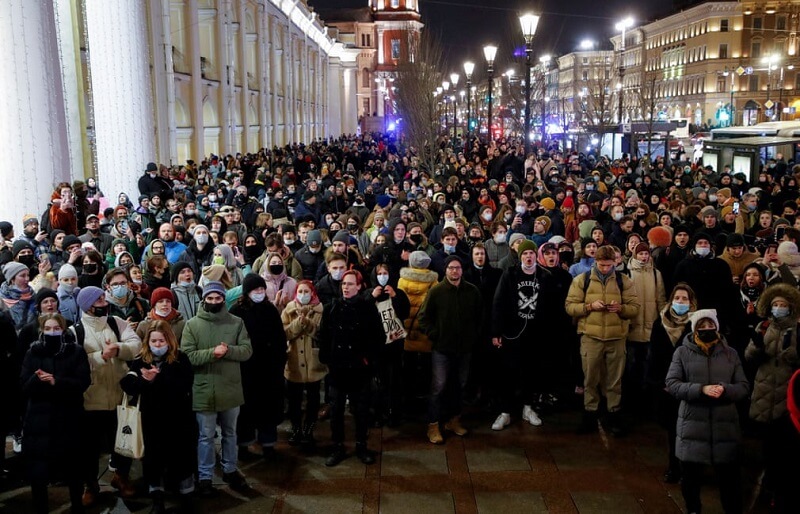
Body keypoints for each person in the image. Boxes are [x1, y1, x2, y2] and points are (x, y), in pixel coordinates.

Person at [666, 309, 749, 514]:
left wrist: (726, 389)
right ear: (694, 329)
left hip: (725, 427)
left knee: (730, 481)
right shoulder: (682, 353)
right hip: (692, 425)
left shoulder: (731, 354)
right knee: (691, 479)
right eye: (701, 327)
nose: (706, 329)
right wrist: (700, 389)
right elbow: (672, 384)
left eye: (710, 325)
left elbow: (744, 386)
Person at [181, 281, 252, 496]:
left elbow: (247, 350)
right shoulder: (192, 325)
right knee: (206, 435)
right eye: (210, 298)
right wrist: (213, 353)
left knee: (231, 433)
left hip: (230, 387)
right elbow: (187, 356)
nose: (214, 302)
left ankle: (230, 469)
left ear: (223, 299)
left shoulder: (237, 322)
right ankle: (205, 476)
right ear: (204, 300)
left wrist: (228, 350)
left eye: (218, 298)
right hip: (204, 388)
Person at [72, 286, 142, 505]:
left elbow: (136, 345)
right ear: (88, 305)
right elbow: (75, 362)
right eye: (99, 300)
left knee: (123, 442)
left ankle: (120, 477)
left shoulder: (116, 322)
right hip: (92, 398)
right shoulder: (76, 331)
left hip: (119, 395)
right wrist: (101, 356)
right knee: (89, 448)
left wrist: (119, 349)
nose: (104, 302)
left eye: (104, 298)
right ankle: (90, 485)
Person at [120, 320, 195, 513]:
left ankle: (186, 495)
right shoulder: (141, 360)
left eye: (161, 341)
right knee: (153, 461)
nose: (158, 345)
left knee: (181, 458)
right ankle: (157, 497)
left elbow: (184, 385)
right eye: (154, 341)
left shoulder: (181, 359)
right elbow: (127, 383)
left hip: (178, 419)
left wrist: (157, 378)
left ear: (169, 341)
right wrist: (145, 381)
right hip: (151, 421)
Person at [565, 245, 640, 436]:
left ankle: (613, 413)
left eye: (608, 265)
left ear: (615, 262)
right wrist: (589, 306)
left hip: (616, 337)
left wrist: (621, 308)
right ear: (595, 262)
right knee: (590, 378)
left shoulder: (624, 281)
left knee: (614, 380)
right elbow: (570, 306)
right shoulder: (583, 280)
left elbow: (635, 308)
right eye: (601, 265)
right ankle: (590, 413)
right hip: (591, 336)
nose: (605, 268)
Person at [20, 313, 90, 514]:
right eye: (48, 329)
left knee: (73, 469)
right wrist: (36, 379)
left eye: (56, 328)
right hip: (39, 421)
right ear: (42, 331)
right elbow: (24, 387)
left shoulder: (75, 352)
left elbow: (82, 382)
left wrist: (56, 382)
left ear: (63, 330)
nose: (53, 332)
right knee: (39, 471)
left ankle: (77, 506)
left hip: (68, 418)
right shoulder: (32, 353)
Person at [490, 239, 559, 430]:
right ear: (520, 256)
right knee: (508, 372)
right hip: (512, 332)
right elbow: (499, 302)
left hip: (536, 334)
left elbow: (553, 308)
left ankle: (528, 408)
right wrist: (496, 331)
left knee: (532, 371)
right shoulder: (510, 274)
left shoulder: (545, 276)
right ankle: (505, 411)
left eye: (531, 253)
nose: (528, 257)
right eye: (525, 254)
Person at [317, 270, 385, 466]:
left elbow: (377, 337)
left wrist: (368, 361)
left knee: (361, 410)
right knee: (336, 410)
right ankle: (337, 446)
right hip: (338, 368)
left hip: (359, 368)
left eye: (350, 284)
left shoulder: (367, 309)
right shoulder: (333, 308)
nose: (345, 287)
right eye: (344, 284)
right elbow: (324, 335)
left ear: (359, 286)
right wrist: (328, 359)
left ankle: (361, 445)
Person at [745, 283, 800, 512]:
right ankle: (766, 482)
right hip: (764, 390)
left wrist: (790, 352)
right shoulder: (763, 326)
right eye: (776, 304)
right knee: (765, 444)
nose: (779, 308)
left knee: (785, 445)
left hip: (786, 392)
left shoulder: (797, 331)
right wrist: (757, 348)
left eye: (783, 305)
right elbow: (749, 357)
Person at [419, 255, 483, 444]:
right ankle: (433, 425)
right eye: (451, 268)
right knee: (438, 387)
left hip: (464, 348)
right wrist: (435, 333)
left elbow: (480, 316)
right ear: (445, 270)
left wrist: (473, 336)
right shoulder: (437, 291)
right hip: (442, 348)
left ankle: (453, 420)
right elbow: (424, 317)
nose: (455, 271)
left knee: (460, 385)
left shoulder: (472, 291)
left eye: (458, 268)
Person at [229, 274, 287, 459]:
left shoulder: (270, 310)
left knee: (268, 407)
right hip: (246, 369)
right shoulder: (237, 311)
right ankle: (244, 445)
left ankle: (268, 443)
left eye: (262, 289)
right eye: (256, 290)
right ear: (247, 292)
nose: (260, 293)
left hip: (269, 368)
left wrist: (279, 362)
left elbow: (279, 338)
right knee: (245, 410)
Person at [645, 283, 698, 484]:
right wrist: (660, 383)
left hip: (689, 387)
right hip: (666, 385)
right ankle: (674, 467)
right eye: (677, 299)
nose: (681, 302)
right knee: (673, 431)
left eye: (685, 299)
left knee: (690, 430)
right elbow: (654, 356)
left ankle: (690, 468)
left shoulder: (697, 325)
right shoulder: (661, 323)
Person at [282, 280, 327, 446]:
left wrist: (307, 324)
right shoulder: (288, 310)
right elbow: (284, 333)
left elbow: (322, 333)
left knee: (313, 400)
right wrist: (297, 323)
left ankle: (309, 428)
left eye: (306, 291)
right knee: (294, 400)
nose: (303, 295)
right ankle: (296, 428)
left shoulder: (320, 311)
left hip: (313, 362)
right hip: (294, 362)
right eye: (300, 291)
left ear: (312, 293)